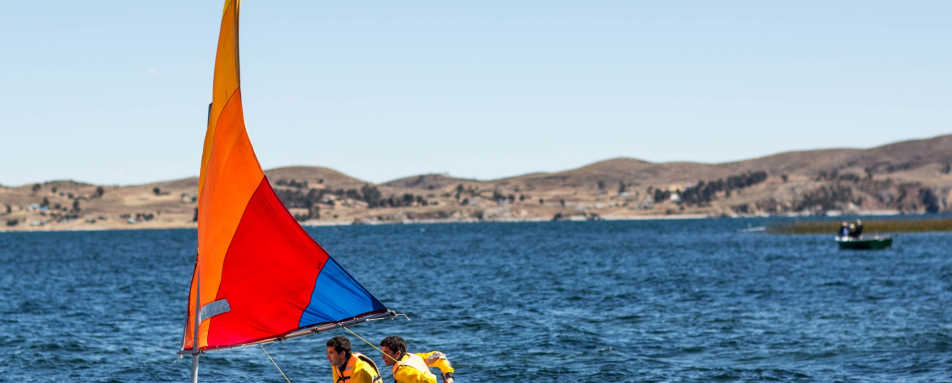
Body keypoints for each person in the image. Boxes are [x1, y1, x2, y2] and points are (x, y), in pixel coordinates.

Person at [379, 336, 455, 383]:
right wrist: (449, 376)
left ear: (397, 353)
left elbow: (428, 380)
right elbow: (439, 356)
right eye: (382, 352)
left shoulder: (403, 372)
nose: (383, 356)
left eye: (386, 353)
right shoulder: (413, 357)